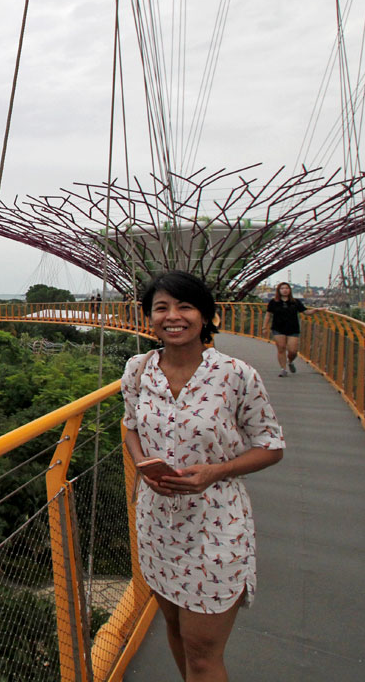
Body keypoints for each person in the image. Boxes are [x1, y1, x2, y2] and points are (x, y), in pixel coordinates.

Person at [122, 271, 284, 682]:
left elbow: (272, 445)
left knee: (202, 653)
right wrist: (143, 463)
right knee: (175, 630)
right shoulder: (138, 370)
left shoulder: (236, 375)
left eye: (185, 306)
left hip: (215, 524)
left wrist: (216, 471)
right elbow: (129, 426)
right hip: (157, 522)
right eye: (161, 308)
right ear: (149, 318)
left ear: (208, 316)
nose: (172, 317)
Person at [262, 281, 308, 377]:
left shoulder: (295, 302)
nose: (285, 290)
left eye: (286, 288)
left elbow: (305, 311)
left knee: (293, 351)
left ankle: (290, 361)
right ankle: (283, 369)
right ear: (279, 291)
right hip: (278, 328)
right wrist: (264, 327)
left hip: (293, 329)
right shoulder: (274, 302)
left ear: (290, 290)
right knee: (281, 348)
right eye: (282, 288)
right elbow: (268, 315)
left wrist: (316, 310)